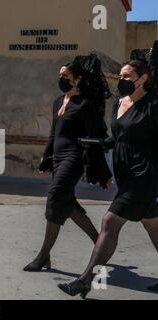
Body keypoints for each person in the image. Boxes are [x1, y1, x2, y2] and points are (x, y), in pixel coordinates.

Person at [58, 60, 158, 298]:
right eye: (121, 76)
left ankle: (85, 279)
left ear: (142, 78)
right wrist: (103, 143)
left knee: (109, 222)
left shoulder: (153, 105)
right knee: (153, 225)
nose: (121, 80)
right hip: (125, 173)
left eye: (126, 76)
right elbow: (121, 135)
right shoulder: (120, 103)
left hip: (144, 174)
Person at [23, 61, 112, 272]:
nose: (61, 79)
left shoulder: (85, 104)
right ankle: (101, 242)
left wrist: (103, 171)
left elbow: (94, 139)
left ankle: (44, 255)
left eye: (65, 76)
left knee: (55, 196)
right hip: (58, 158)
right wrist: (46, 158)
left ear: (77, 79)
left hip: (74, 158)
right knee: (66, 202)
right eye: (60, 75)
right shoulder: (57, 102)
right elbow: (54, 134)